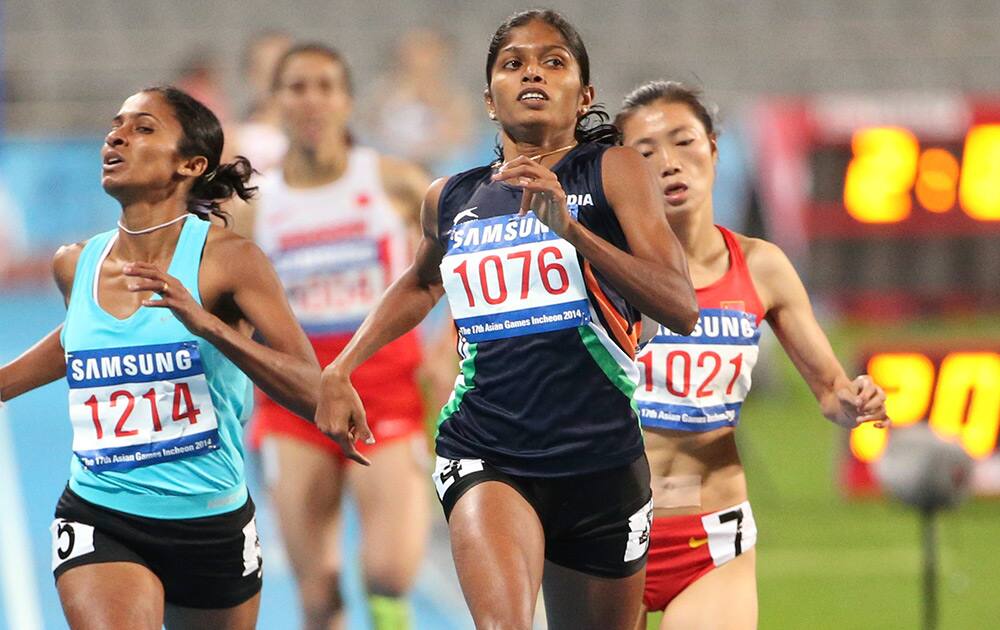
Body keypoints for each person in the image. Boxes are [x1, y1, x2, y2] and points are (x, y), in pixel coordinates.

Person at [316, 10, 699, 630]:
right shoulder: (453, 197)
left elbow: (679, 306)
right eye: (513, 63)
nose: (533, 74)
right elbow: (420, 282)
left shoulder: (613, 171)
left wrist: (571, 231)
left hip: (601, 461)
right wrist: (342, 367)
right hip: (487, 452)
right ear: (489, 98)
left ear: (584, 96)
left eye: (554, 63)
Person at [0, 86, 321, 629]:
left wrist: (208, 326)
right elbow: (81, 338)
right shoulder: (74, 264)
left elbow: (311, 388)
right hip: (100, 511)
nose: (116, 136)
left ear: (191, 164)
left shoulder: (231, 263)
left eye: (143, 128)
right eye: (116, 125)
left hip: (210, 522)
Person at [615, 81, 890, 630]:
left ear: (715, 149)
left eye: (683, 141)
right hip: (604, 530)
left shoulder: (762, 267)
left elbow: (831, 392)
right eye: (645, 153)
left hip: (713, 536)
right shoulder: (598, 267)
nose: (669, 163)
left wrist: (856, 399)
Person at [235, 43, 432, 630]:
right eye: (296, 86)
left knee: (388, 575)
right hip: (295, 399)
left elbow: (453, 270)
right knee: (318, 596)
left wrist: (450, 350)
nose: (312, 99)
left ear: (346, 100)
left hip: (385, 394)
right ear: (277, 101)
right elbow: (230, 308)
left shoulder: (396, 183)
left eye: (325, 85)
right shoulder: (253, 206)